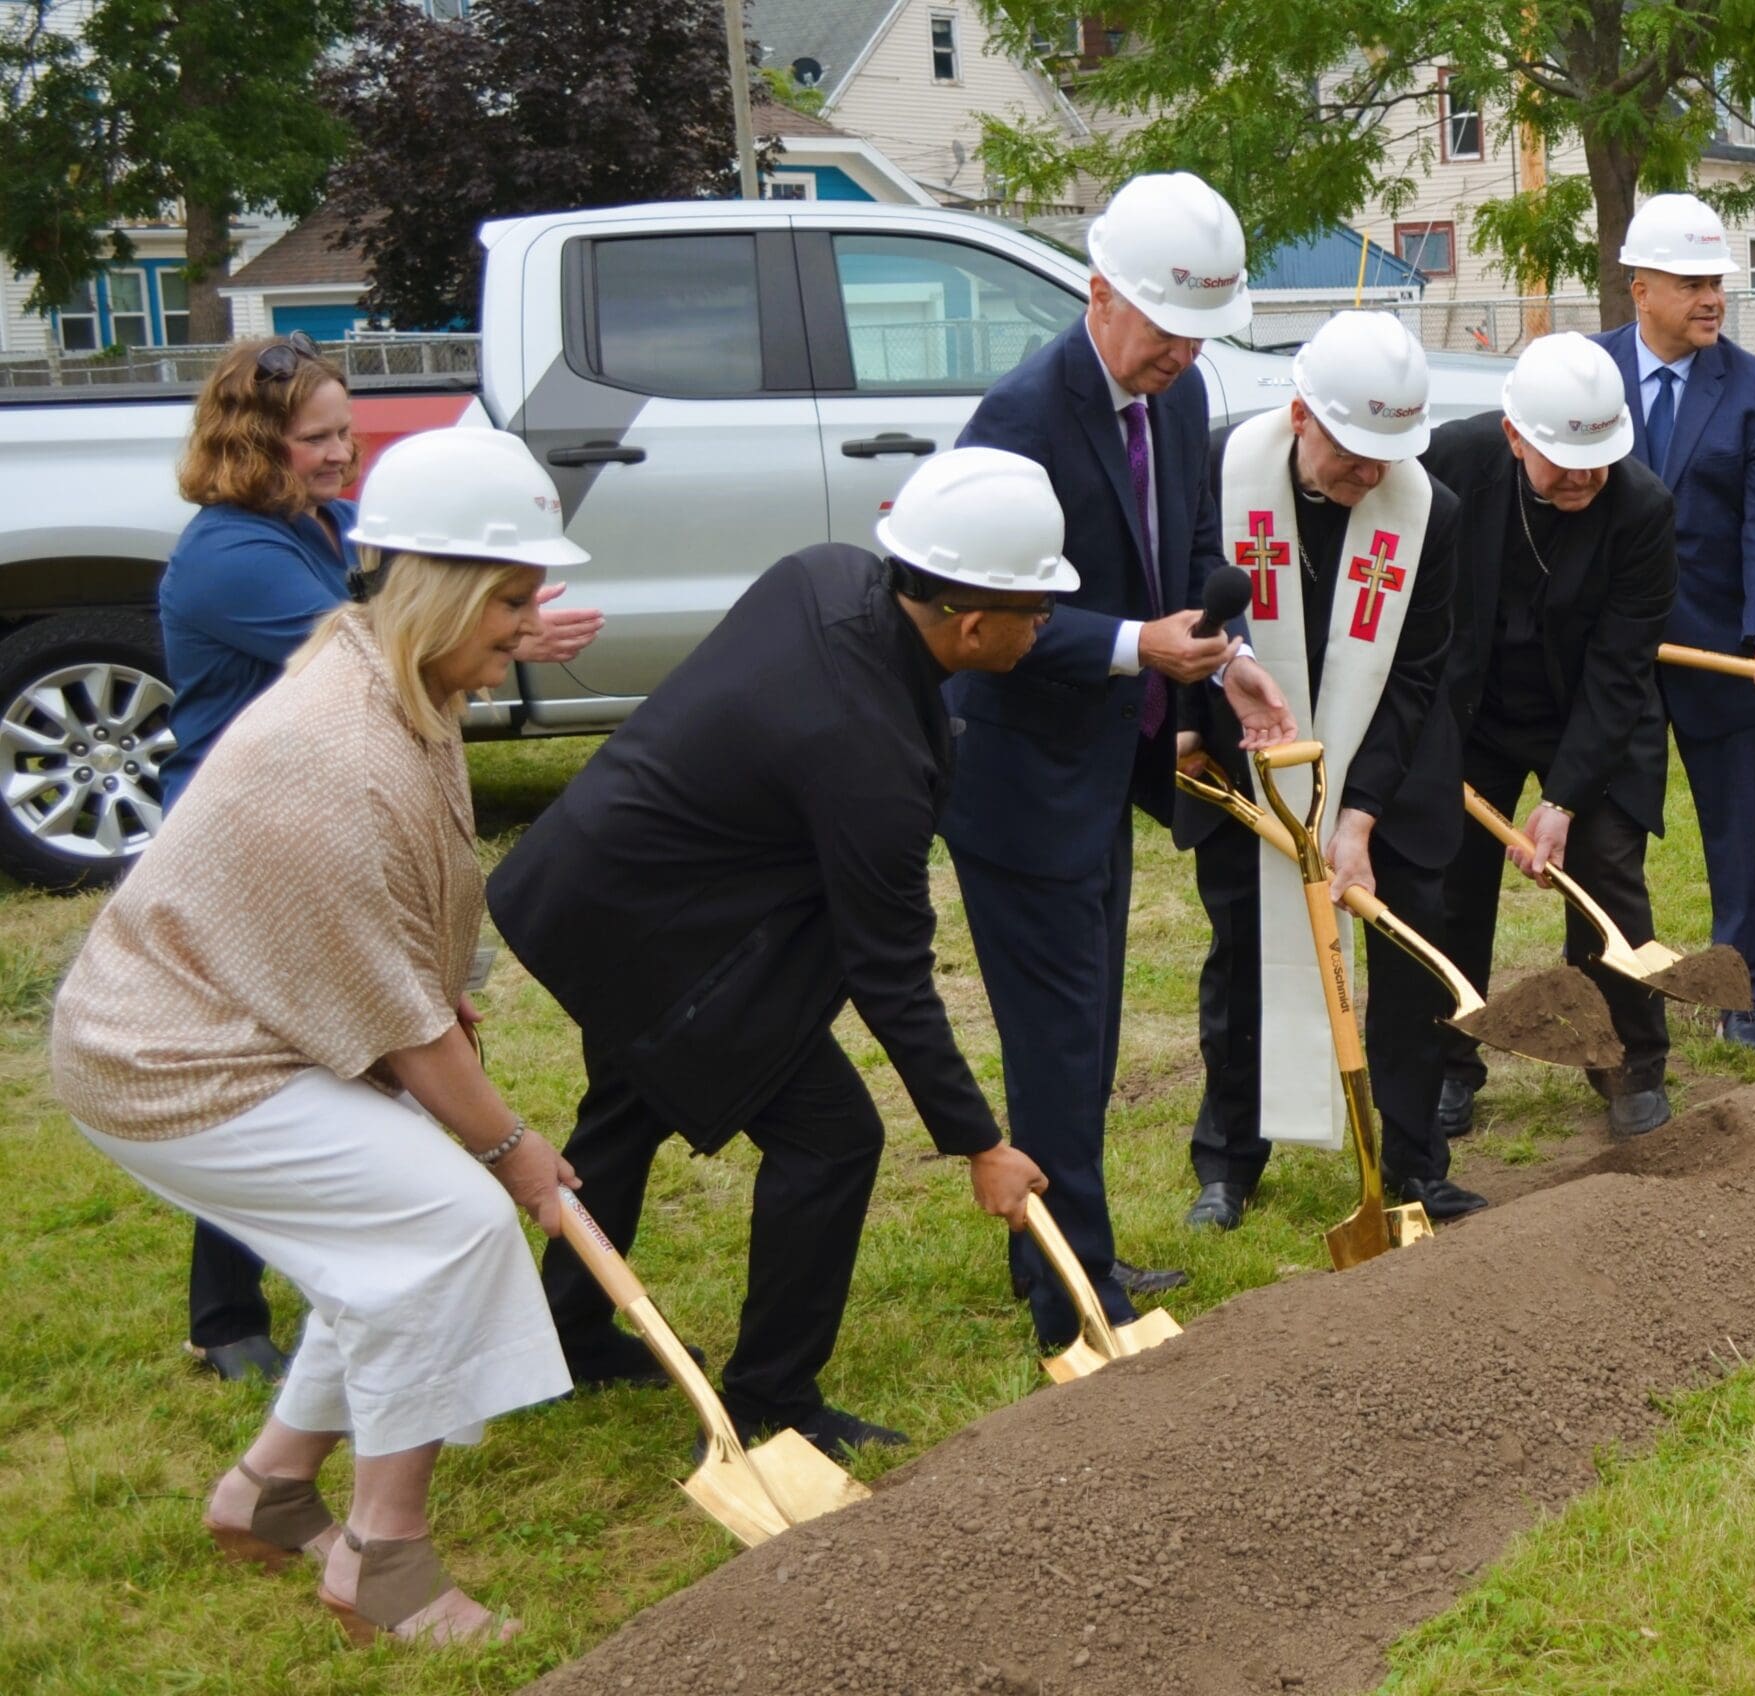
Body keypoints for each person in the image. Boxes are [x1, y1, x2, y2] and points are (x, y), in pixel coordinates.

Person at [51, 429, 589, 1646]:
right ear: (442, 590)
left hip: (244, 1022)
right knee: (441, 1229)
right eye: (510, 600)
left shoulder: (396, 687)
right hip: (174, 1058)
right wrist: (511, 1148)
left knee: (391, 1237)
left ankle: (269, 1490)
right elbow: (399, 1027)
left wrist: (448, 1020)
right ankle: (383, 1565)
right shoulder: (341, 755)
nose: (528, 623)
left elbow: (407, 952)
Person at [484, 449, 1053, 1455]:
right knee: (832, 1136)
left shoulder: (828, 571)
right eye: (1037, 606)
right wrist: (980, 1143)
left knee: (628, 1102)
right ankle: (770, 1398)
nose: (1045, 623)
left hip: (590, 873)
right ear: (971, 623)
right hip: (635, 919)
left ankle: (564, 1334)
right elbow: (889, 972)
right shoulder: (866, 748)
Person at [156, 333, 600, 1385]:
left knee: (338, 1068)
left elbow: (419, 600)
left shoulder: (325, 525)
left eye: (347, 433)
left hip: (330, 827)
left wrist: (495, 610)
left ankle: (345, 1295)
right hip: (248, 849)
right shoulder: (229, 555)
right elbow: (372, 643)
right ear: (250, 442)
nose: (339, 455)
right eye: (315, 438)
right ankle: (226, 1320)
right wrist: (505, 630)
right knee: (287, 1074)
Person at [941, 172, 1295, 1351]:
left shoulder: (1178, 401)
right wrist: (1128, 645)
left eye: (1199, 334)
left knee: (1083, 1033)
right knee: (1057, 1037)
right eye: (1162, 327)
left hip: (1101, 765)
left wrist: (1223, 653)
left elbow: (1188, 546)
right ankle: (1070, 1296)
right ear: (1098, 293)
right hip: (1021, 775)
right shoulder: (1023, 418)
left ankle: (1055, 1245)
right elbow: (981, 615)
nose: (1181, 355)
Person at [1176, 312, 1463, 1228]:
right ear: (1301, 414)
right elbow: (1180, 608)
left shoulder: (1429, 511)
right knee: (1243, 959)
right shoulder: (1218, 474)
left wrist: (1359, 815)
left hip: (1391, 755)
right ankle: (1229, 1161)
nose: (1370, 475)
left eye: (1388, 454)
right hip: (1248, 752)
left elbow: (1416, 673)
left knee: (1412, 959)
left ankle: (1416, 1160)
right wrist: (1188, 726)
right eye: (1353, 452)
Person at [1423, 332, 1679, 1138]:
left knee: (1606, 871)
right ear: (1513, 436)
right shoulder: (1449, 466)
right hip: (1474, 712)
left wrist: (1564, 798)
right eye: (1563, 459)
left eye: (1597, 458)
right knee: (1451, 885)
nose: (1582, 477)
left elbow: (1620, 667)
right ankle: (1450, 1063)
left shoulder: (1642, 509)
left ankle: (1626, 1059)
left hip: (1595, 710)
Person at [1593, 193, 1755, 1060]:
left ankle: (1746, 988)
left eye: (1717, 281)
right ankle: (1620, 989)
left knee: (1738, 828)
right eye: (1690, 283)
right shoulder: (1585, 374)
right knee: (1611, 836)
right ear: (1639, 287)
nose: (1713, 298)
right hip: (1613, 655)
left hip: (1720, 646)